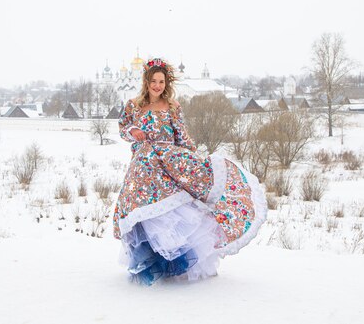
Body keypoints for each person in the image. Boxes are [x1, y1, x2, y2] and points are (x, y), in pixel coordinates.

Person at [113, 57, 266, 285]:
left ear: (167, 83)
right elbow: (123, 128)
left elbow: (182, 137)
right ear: (146, 81)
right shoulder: (133, 105)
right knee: (142, 210)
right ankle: (149, 260)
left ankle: (174, 262)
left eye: (161, 81)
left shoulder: (173, 107)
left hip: (168, 162)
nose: (157, 86)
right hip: (143, 167)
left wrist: (194, 156)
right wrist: (133, 130)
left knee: (173, 212)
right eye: (153, 81)